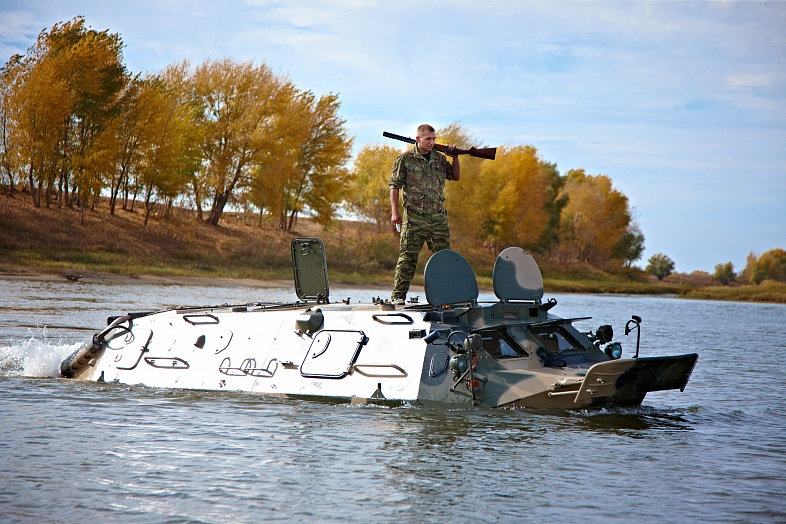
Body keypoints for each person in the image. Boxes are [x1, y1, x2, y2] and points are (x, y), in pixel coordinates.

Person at [389, 124, 460, 304]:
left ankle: (448, 298)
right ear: (418, 139)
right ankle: (398, 296)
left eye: (434, 138)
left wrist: (455, 157)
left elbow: (455, 176)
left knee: (445, 259)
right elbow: (394, 186)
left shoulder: (439, 159)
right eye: (428, 139)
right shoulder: (405, 159)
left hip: (437, 218)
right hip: (414, 217)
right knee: (407, 258)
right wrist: (395, 212)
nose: (432, 142)